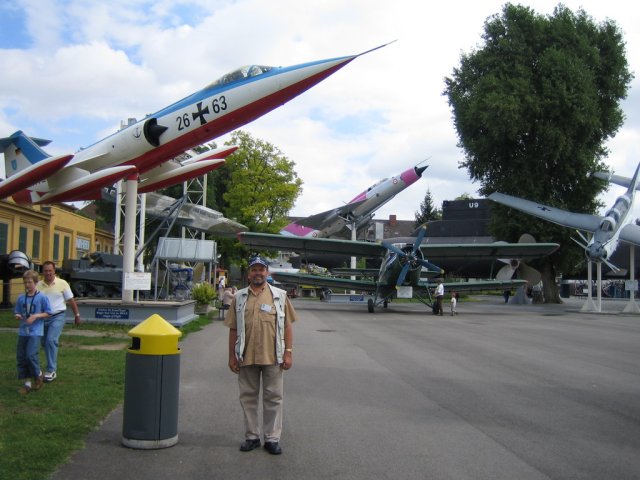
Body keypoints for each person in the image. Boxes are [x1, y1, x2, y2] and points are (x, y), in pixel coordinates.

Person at [224, 255, 297, 455]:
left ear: (267, 272)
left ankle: (272, 438)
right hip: (246, 356)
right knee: (248, 397)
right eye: (254, 269)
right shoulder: (239, 297)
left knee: (274, 398)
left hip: (273, 356)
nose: (258, 273)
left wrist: (288, 353)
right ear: (249, 274)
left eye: (261, 269)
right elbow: (233, 329)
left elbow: (287, 326)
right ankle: (252, 437)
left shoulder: (280, 296)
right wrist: (231, 356)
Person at [37, 260, 82, 382]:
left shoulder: (62, 284)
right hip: (42, 318)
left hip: (58, 316)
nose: (48, 273)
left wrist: (77, 315)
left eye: (50, 270)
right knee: (44, 342)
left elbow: (71, 300)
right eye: (46, 271)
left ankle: (51, 370)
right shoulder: (38, 286)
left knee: (51, 340)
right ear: (43, 272)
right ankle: (42, 367)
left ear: (54, 271)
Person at [15, 270, 52, 394]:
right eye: (25, 282)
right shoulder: (21, 298)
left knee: (30, 355)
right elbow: (17, 311)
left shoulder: (42, 297)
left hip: (35, 331)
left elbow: (48, 313)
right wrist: (18, 315)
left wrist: (36, 316)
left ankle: (38, 374)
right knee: (21, 357)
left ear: (36, 283)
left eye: (30, 282)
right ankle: (27, 383)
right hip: (23, 331)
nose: (27, 285)